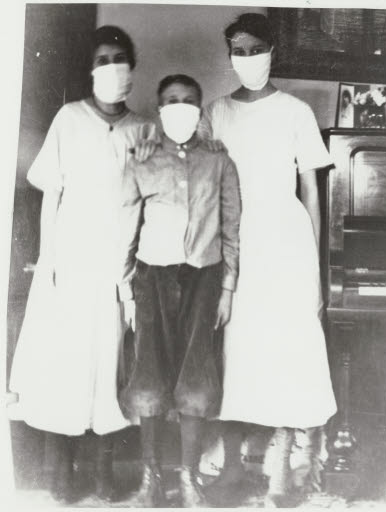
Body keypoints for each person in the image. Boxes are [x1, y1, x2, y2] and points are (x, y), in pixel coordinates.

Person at [8, 26, 157, 503]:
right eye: (102, 60)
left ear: (131, 67)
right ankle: (59, 465)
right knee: (65, 359)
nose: (112, 67)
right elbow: (51, 193)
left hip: (120, 264)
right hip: (70, 258)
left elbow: (152, 203)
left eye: (119, 58)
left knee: (112, 360)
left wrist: (135, 272)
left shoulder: (145, 130)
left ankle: (105, 466)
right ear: (91, 71)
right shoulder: (69, 119)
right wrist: (49, 260)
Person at [198, 13, 337, 506]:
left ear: (273, 49)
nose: (247, 58)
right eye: (238, 49)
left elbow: (311, 193)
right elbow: (207, 185)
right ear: (228, 54)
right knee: (234, 346)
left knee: (285, 344)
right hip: (235, 238)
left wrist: (316, 271)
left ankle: (283, 471)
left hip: (285, 237)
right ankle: (232, 469)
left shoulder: (296, 111)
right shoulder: (215, 112)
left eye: (256, 48)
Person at [118, 74, 241, 507]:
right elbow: (126, 229)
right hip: (152, 276)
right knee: (148, 371)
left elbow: (231, 230)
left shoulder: (219, 161)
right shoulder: (142, 159)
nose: (181, 107)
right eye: (171, 100)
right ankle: (150, 480)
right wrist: (126, 290)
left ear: (201, 108)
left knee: (196, 373)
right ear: (158, 108)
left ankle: (189, 479)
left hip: (203, 277)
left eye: (190, 101)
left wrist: (227, 287)